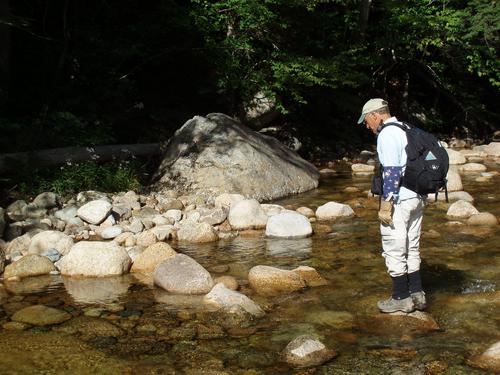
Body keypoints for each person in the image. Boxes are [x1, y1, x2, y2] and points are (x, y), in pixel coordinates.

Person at [357, 98, 426, 313]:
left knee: (393, 247)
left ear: (375, 115)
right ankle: (417, 294)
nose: (367, 127)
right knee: (411, 244)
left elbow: (392, 171)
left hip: (400, 200)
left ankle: (400, 298)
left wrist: (386, 203)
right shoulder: (406, 128)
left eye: (367, 121)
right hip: (417, 197)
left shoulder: (386, 134)